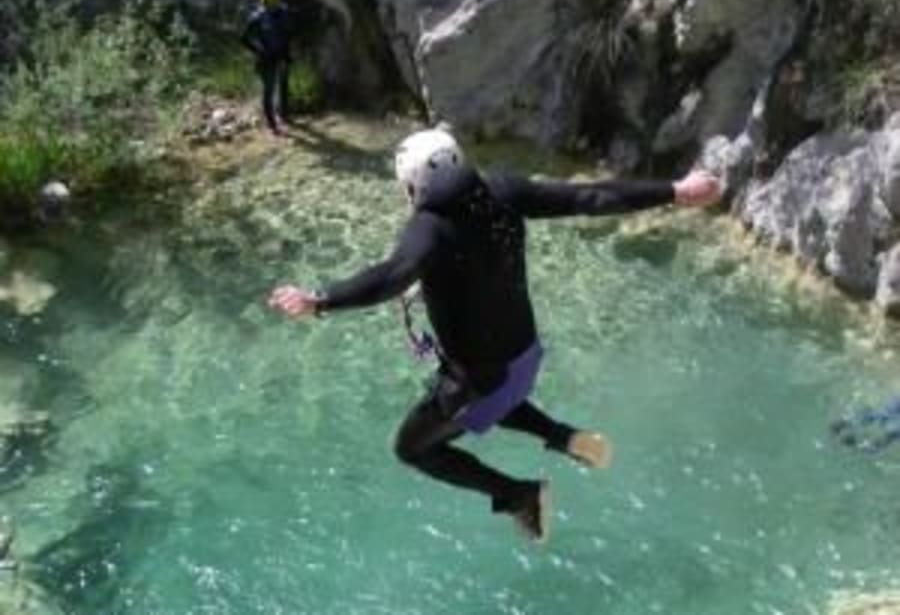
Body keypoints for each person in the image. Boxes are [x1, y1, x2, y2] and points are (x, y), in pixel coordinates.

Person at [268, 127, 721, 541]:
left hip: (483, 381)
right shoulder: (503, 190)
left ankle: (519, 495)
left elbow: (393, 274)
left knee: (412, 448)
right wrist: (675, 191)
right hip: (524, 359)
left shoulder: (430, 228)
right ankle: (563, 436)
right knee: (489, 401)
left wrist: (319, 300)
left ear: (413, 186)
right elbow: (588, 197)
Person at [241, 0, 294, 136]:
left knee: (284, 85)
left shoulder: (284, 12)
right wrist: (259, 51)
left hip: (282, 55)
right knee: (269, 90)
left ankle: (284, 115)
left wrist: (288, 55)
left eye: (277, 0)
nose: (275, 4)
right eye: (271, 1)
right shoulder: (257, 18)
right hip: (266, 59)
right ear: (264, 1)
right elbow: (243, 39)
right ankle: (272, 124)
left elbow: (288, 34)